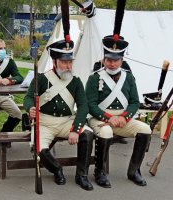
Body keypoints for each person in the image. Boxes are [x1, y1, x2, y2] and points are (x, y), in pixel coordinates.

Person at [24, 39, 94, 191]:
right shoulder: (42, 79)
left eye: (70, 62)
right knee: (40, 150)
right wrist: (30, 108)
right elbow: (28, 97)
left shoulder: (76, 82)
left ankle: (82, 175)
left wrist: (76, 129)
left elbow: (83, 106)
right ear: (55, 62)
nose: (69, 66)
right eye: (64, 62)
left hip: (66, 122)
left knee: (87, 135)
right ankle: (56, 169)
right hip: (44, 123)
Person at [85, 35, 151, 188]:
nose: (112, 63)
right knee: (106, 132)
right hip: (99, 117)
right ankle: (99, 172)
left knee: (145, 129)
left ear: (122, 60)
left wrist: (124, 116)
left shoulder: (129, 77)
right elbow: (90, 105)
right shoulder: (95, 78)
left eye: (115, 60)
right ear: (104, 59)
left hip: (122, 118)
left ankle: (134, 171)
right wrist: (108, 117)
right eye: (109, 60)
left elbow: (135, 102)